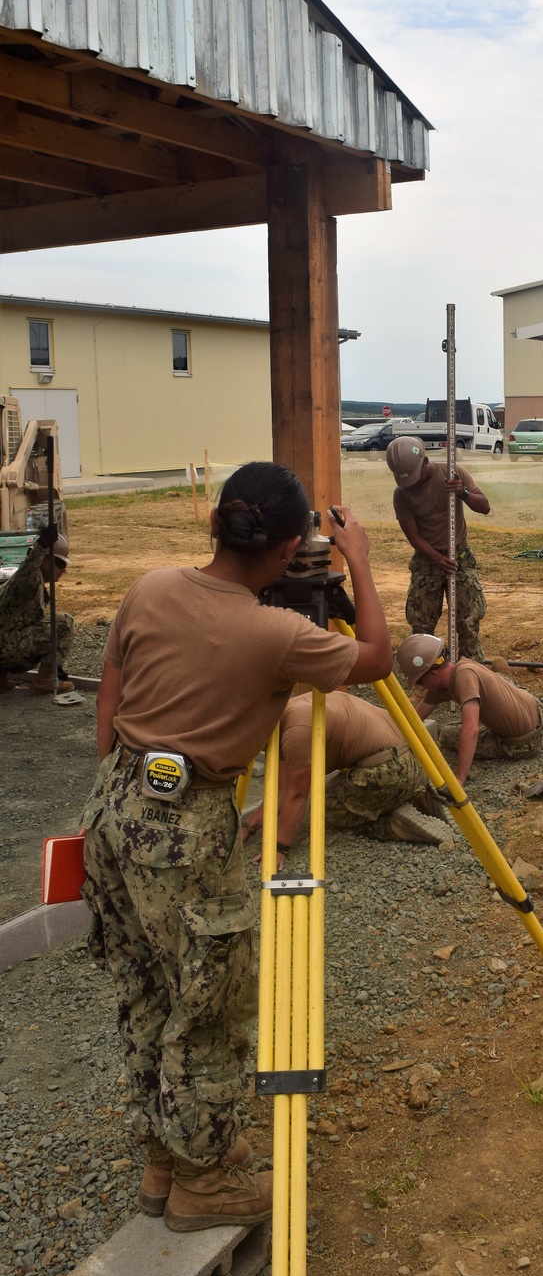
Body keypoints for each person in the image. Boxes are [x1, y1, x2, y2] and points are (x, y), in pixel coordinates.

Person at [79, 462, 391, 1233]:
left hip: (115, 809)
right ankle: (205, 1185)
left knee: (147, 989)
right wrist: (362, 564)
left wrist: (124, 786)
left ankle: (167, 1154)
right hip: (187, 829)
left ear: (214, 523)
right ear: (290, 550)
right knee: (208, 1006)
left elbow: (108, 699)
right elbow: (379, 658)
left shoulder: (149, 588)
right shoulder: (278, 634)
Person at [240, 689, 452, 861]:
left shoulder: (296, 732)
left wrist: (279, 848)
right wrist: (249, 826)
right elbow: (280, 790)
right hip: (413, 763)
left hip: (387, 773)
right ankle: (417, 797)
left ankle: (392, 822)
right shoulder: (297, 707)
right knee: (339, 786)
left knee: (323, 808)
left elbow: (295, 795)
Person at [386, 435, 490, 660]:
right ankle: (426, 670)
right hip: (426, 560)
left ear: (424, 461)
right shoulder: (401, 494)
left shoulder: (452, 473)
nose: (411, 483)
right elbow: (413, 536)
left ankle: (471, 670)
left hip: (459, 556)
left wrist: (462, 492)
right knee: (421, 623)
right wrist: (436, 558)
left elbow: (484, 507)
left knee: (468, 619)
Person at [397, 633, 542, 786]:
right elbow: (415, 718)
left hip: (523, 742)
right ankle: (502, 677)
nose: (421, 687)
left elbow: (471, 730)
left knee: (447, 733)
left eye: (419, 682)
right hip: (536, 708)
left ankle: (499, 685)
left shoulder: (464, 678)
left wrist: (459, 778)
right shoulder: (461, 667)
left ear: (433, 674)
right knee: (493, 683)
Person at [0, 523, 75, 693]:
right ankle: (44, 680)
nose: (63, 570)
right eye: (60, 564)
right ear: (44, 559)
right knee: (64, 622)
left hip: (4, 644)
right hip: (5, 649)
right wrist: (41, 546)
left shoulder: (24, 585)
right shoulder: (29, 580)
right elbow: (28, 568)